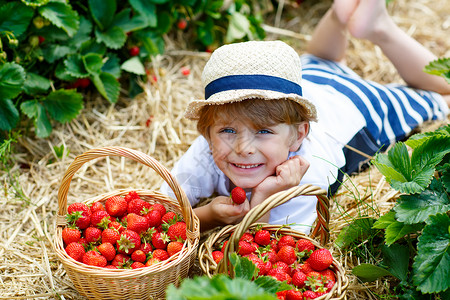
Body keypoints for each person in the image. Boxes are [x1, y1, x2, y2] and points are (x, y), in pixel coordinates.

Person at [160, 0, 450, 233]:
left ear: (299, 135)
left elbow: (271, 254)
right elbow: (159, 211)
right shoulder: (206, 151)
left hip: (355, 107)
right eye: (227, 131)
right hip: (302, 83)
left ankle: (380, 28)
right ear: (207, 133)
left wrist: (265, 198)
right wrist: (207, 215)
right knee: (321, 59)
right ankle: (340, 13)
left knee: (442, 93)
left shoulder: (304, 176)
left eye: (262, 132)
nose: (242, 148)